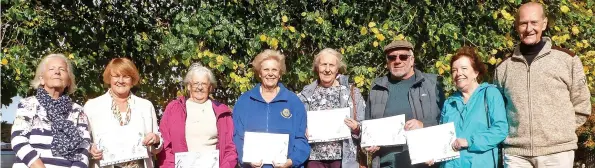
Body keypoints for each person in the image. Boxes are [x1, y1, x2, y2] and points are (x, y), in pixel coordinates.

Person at [493, 2, 591, 168]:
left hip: (557, 153)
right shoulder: (504, 68)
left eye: (534, 22)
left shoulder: (567, 60)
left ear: (544, 24)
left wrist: (560, 131)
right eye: (523, 23)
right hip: (516, 155)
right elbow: (498, 111)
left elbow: (582, 104)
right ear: (517, 26)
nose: (529, 28)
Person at [364, 40, 444, 168]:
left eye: (403, 57)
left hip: (423, 162)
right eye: (392, 57)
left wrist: (423, 124)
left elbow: (444, 122)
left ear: (412, 60)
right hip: (386, 163)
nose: (397, 61)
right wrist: (370, 142)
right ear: (387, 62)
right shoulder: (376, 88)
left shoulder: (431, 85)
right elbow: (367, 124)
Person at [11, 54, 91, 168]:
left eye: (62, 69)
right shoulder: (28, 104)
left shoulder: (78, 111)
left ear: (69, 81)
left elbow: (83, 148)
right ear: (42, 78)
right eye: (51, 69)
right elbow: (18, 140)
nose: (57, 72)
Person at [233, 49, 310, 168]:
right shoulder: (244, 101)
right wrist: (246, 159)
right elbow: (237, 137)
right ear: (259, 73)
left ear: (280, 73)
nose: (270, 73)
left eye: (274, 69)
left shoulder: (293, 102)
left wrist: (291, 161)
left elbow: (301, 138)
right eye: (266, 69)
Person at [437, 47, 508, 168]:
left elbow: (500, 130)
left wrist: (469, 141)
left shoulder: (490, 94)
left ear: (476, 72)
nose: (458, 73)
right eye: (454, 70)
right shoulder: (449, 103)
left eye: (464, 68)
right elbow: (441, 137)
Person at [84, 58, 162, 168]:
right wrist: (90, 149)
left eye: (126, 76)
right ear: (109, 78)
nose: (121, 80)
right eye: (116, 76)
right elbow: (83, 141)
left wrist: (156, 139)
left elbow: (157, 145)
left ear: (132, 80)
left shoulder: (145, 106)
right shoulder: (92, 106)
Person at [157, 63, 237, 168]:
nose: (199, 87)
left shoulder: (222, 112)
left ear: (210, 87)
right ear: (189, 86)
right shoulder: (173, 109)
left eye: (204, 84)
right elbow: (166, 146)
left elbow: (229, 148)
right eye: (196, 83)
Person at [297, 48, 366, 168]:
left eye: (332, 65)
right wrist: (303, 130)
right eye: (324, 64)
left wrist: (356, 127)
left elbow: (365, 126)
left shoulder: (352, 93)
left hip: (344, 160)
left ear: (337, 69)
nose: (327, 69)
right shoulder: (305, 95)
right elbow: (296, 125)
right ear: (317, 67)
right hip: (313, 158)